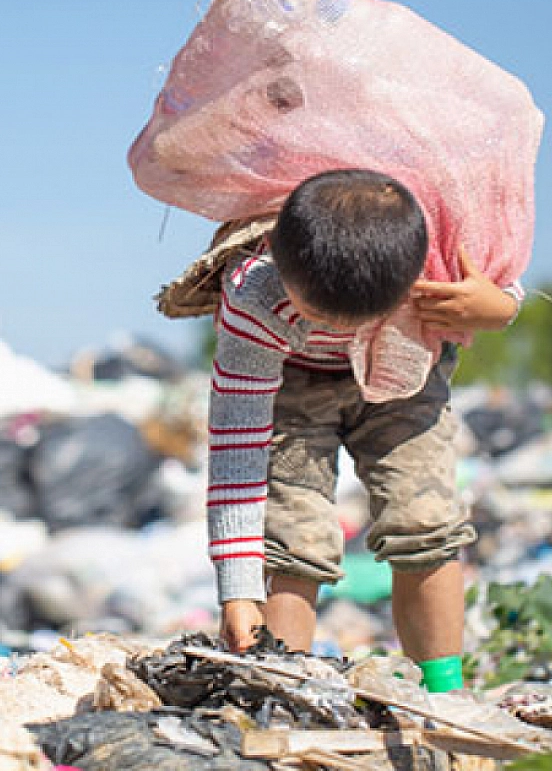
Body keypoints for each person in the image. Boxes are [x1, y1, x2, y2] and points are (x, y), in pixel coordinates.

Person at [195, 168, 521, 693]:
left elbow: (500, 282)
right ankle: (279, 689)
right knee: (292, 540)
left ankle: (444, 693)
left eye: (357, 320)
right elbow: (238, 447)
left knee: (426, 525)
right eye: (315, 315)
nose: (335, 331)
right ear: (279, 255)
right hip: (293, 384)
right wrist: (237, 590)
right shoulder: (255, 298)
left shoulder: (435, 265)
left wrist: (499, 309)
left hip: (406, 370)